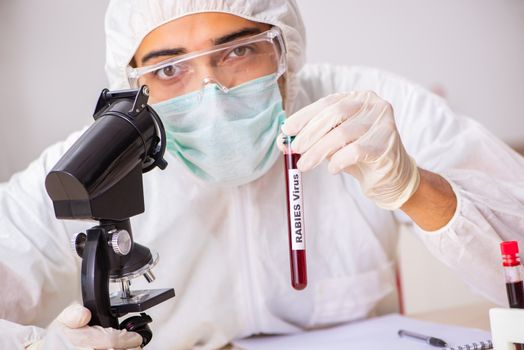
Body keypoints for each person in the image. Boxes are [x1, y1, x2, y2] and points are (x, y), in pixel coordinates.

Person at [1, 0, 524, 349]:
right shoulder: (92, 162)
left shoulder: (367, 112)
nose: (212, 90)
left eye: (238, 51)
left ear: (284, 49)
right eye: (168, 69)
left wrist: (413, 186)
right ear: (132, 84)